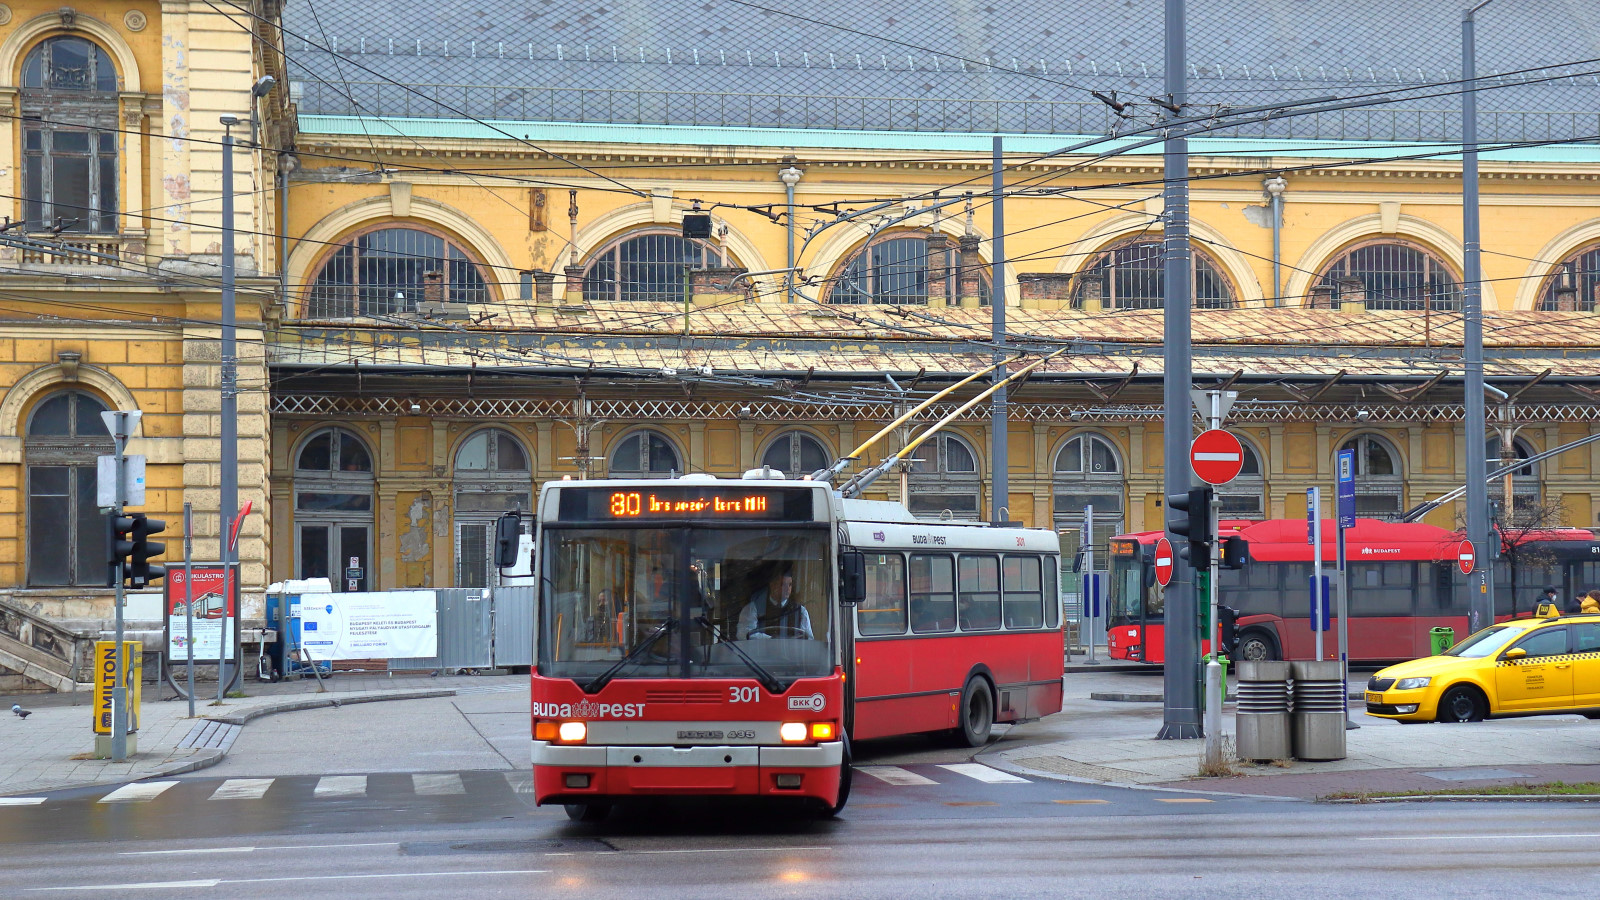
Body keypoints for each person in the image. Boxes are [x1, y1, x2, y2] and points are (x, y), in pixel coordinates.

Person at [737, 569, 813, 639]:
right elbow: (744, 634)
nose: (787, 589)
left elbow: (809, 639)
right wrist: (771, 640)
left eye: (790, 585)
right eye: (783, 584)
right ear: (772, 585)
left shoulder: (800, 611)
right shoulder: (753, 608)